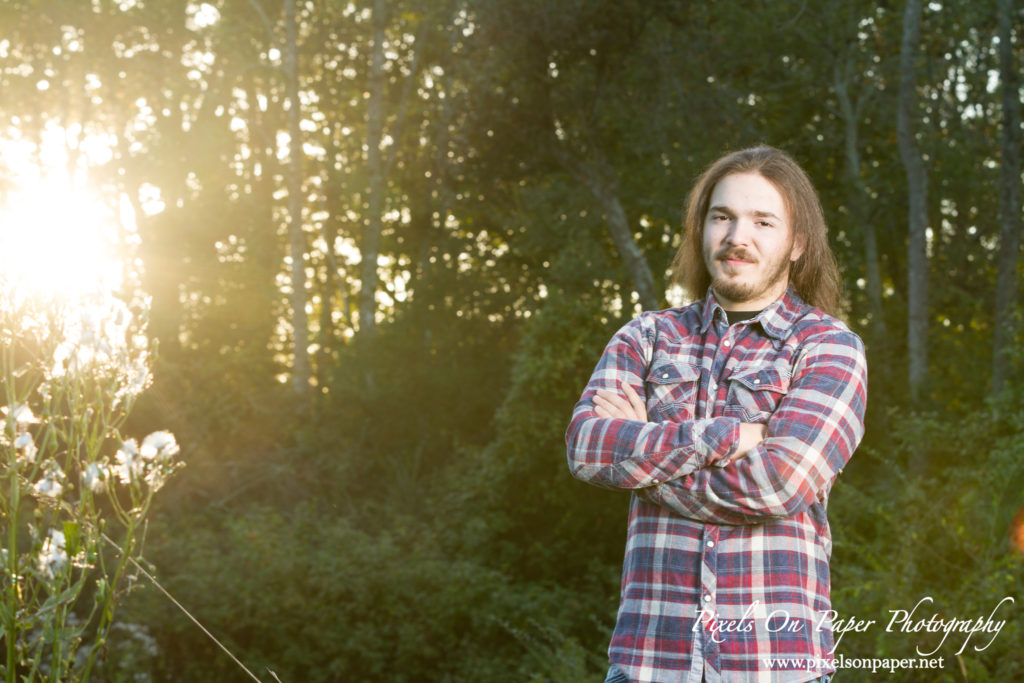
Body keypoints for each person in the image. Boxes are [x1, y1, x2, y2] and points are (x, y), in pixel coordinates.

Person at [565, 145, 867, 683]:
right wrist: (731, 436)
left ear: (797, 243)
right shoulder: (648, 336)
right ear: (701, 228)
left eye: (763, 221)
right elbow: (587, 448)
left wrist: (645, 459)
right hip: (647, 664)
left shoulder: (829, 347)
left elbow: (779, 482)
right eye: (722, 216)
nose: (737, 237)